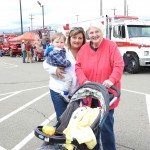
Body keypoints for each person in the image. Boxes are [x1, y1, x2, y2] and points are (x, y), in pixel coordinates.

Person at [75, 21, 124, 150]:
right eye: (91, 32)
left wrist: (111, 80)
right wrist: (84, 80)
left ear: (102, 32)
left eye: (97, 31)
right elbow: (78, 66)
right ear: (88, 34)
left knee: (106, 127)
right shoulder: (84, 48)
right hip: (90, 94)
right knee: (91, 127)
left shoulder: (111, 46)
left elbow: (119, 65)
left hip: (106, 94)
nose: (94, 35)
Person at [43, 27, 86, 120]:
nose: (77, 40)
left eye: (80, 38)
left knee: (74, 119)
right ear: (69, 38)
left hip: (76, 92)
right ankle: (61, 134)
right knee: (62, 119)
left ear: (83, 39)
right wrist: (54, 70)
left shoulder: (85, 52)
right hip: (58, 90)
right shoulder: (62, 50)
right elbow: (45, 64)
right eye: (74, 37)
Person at [45, 32, 72, 102]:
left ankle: (65, 93)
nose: (59, 44)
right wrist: (69, 63)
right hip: (57, 83)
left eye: (61, 42)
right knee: (69, 79)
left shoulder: (62, 49)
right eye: (57, 42)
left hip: (74, 90)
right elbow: (62, 62)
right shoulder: (55, 52)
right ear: (52, 42)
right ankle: (64, 93)